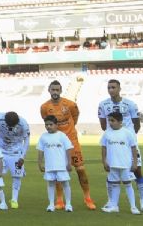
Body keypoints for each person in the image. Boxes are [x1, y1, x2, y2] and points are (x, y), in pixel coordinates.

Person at [97, 79, 143, 212]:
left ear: (119, 89)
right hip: (112, 143)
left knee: (137, 170)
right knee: (111, 172)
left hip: (128, 142)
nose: (111, 90)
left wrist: (128, 135)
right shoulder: (103, 105)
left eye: (113, 87)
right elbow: (103, 125)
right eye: (109, 87)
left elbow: (136, 123)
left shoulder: (130, 104)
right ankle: (111, 202)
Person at [41, 80, 94, 209]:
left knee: (80, 169)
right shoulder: (44, 107)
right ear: (49, 90)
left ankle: (88, 198)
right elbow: (47, 121)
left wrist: (69, 131)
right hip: (56, 143)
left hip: (71, 141)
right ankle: (59, 200)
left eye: (57, 90)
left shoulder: (70, 105)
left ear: (61, 90)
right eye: (52, 90)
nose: (55, 92)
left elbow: (75, 118)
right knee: (58, 170)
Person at [100, 111, 141, 214]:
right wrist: (104, 161)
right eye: (109, 120)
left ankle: (133, 207)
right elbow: (104, 148)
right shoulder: (107, 133)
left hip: (125, 164)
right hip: (112, 164)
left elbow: (133, 149)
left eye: (112, 120)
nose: (110, 122)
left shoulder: (127, 133)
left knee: (128, 184)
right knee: (115, 184)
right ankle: (114, 206)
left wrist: (135, 163)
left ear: (120, 121)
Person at [0, 111, 29, 208]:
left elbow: (27, 140)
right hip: (0, 151)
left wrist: (22, 156)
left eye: (13, 125)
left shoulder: (23, 123)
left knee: (17, 176)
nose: (10, 127)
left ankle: (14, 200)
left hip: (16, 153)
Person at [37, 115, 74, 213]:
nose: (48, 126)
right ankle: (51, 204)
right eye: (46, 125)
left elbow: (68, 149)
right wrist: (40, 163)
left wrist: (69, 163)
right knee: (50, 184)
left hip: (61, 166)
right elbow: (40, 151)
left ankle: (69, 204)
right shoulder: (43, 137)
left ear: (56, 125)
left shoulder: (62, 135)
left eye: (51, 124)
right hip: (49, 166)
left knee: (65, 184)